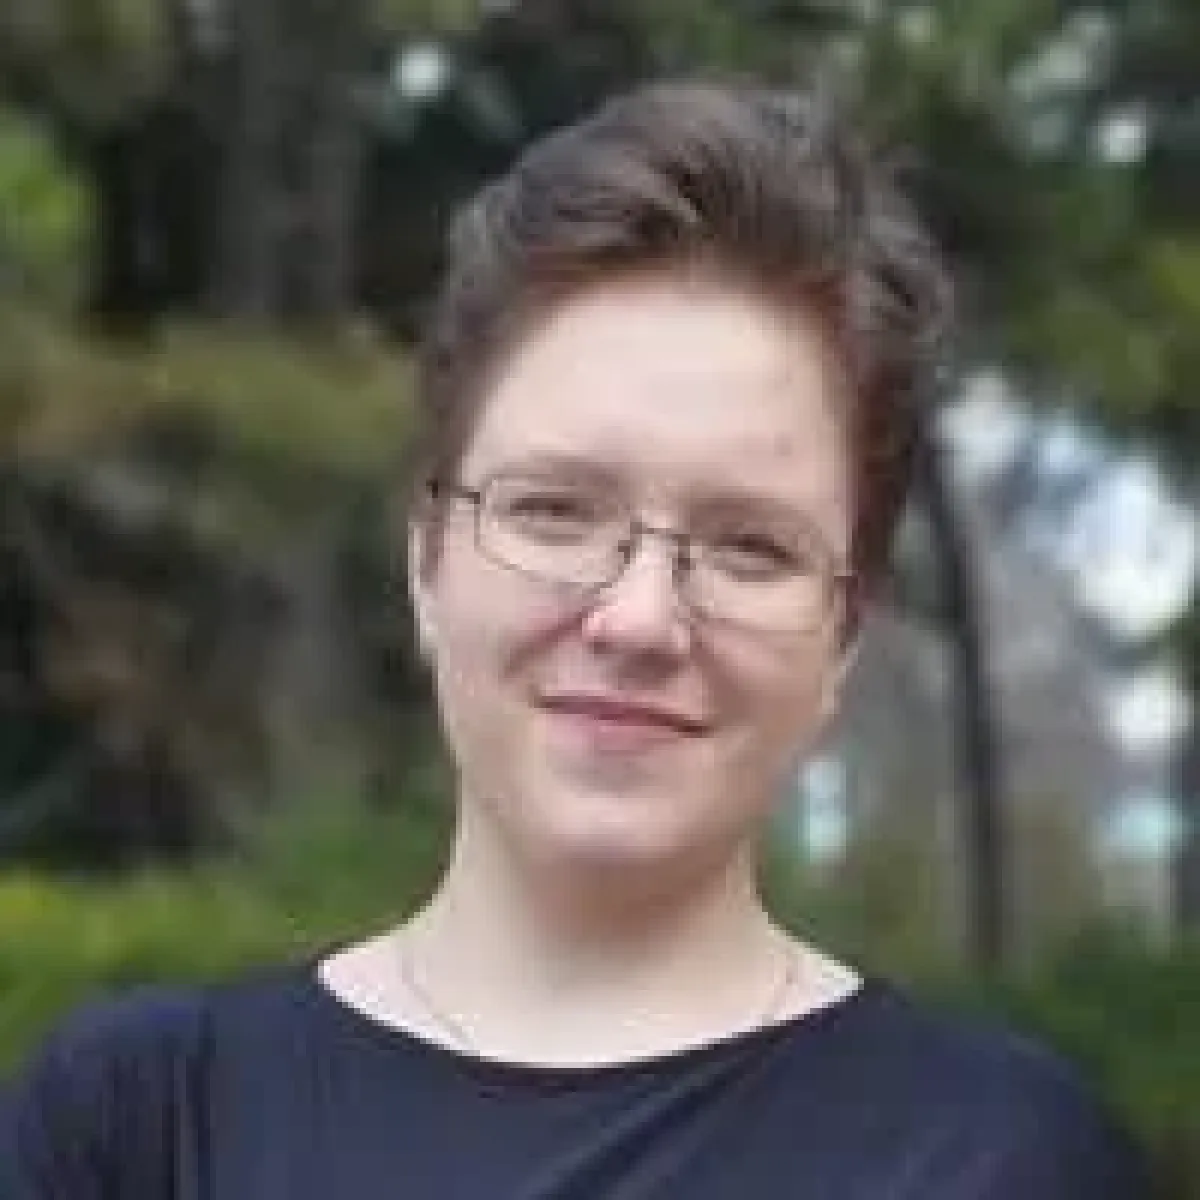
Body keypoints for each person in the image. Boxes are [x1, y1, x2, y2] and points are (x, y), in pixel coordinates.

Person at [4, 79, 1147, 1199]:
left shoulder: (993, 1161)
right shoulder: (145, 1130)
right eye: (556, 512)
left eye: (750, 547)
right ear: (427, 559)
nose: (640, 618)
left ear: (844, 635)